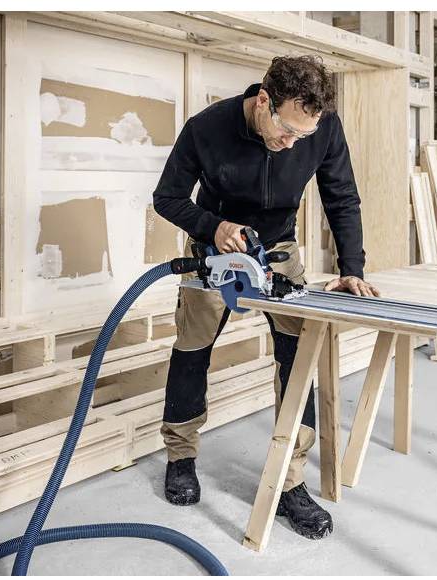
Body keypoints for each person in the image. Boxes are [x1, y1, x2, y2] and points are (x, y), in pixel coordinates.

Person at [152, 55, 379, 540]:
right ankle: (180, 456)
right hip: (214, 251)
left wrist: (352, 269)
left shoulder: (323, 127)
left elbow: (342, 196)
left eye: (304, 134)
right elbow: (167, 197)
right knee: (192, 352)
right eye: (287, 130)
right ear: (263, 101)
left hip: (277, 251)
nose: (293, 142)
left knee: (296, 361)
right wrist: (214, 227)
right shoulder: (206, 128)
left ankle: (290, 480)